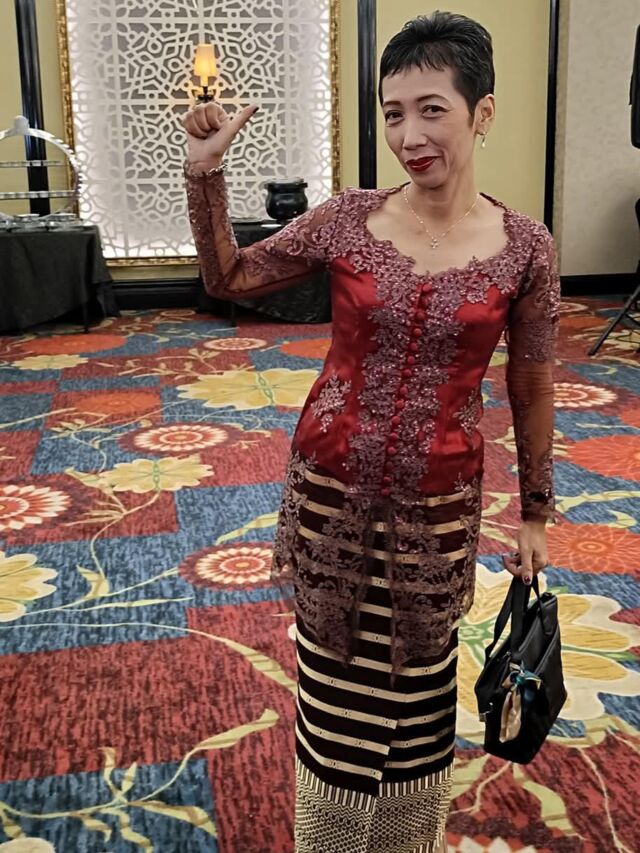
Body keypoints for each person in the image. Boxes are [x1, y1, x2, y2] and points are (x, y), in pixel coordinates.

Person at [182, 10, 559, 853]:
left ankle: (402, 840)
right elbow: (229, 275)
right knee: (335, 675)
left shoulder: (525, 248)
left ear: (483, 113)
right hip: (332, 493)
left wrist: (536, 510)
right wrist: (206, 172)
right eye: (393, 113)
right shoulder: (349, 218)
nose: (408, 135)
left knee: (420, 684)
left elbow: (531, 380)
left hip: (439, 505)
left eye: (432, 110)